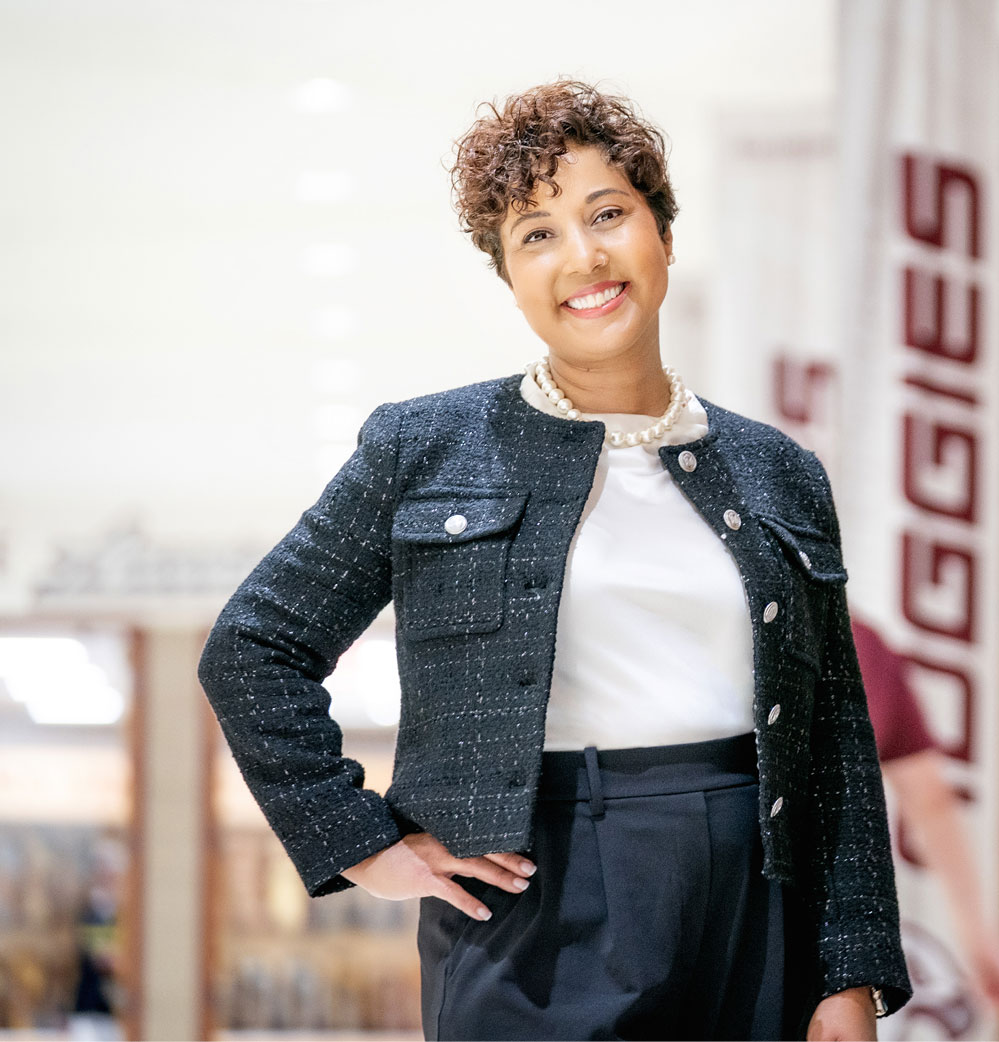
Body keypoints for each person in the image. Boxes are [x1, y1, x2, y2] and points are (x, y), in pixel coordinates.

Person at [197, 80, 909, 1041]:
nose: (584, 257)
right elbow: (252, 647)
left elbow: (833, 740)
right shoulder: (426, 447)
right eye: (537, 234)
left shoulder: (778, 470)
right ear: (508, 273)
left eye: (608, 213)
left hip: (754, 888)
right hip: (532, 902)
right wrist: (359, 842)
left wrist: (850, 969)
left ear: (662, 230)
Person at [849, 614, 999, 1034]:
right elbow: (930, 801)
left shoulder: (743, 621)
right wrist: (978, 936)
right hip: (836, 931)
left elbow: (929, 799)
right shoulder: (864, 641)